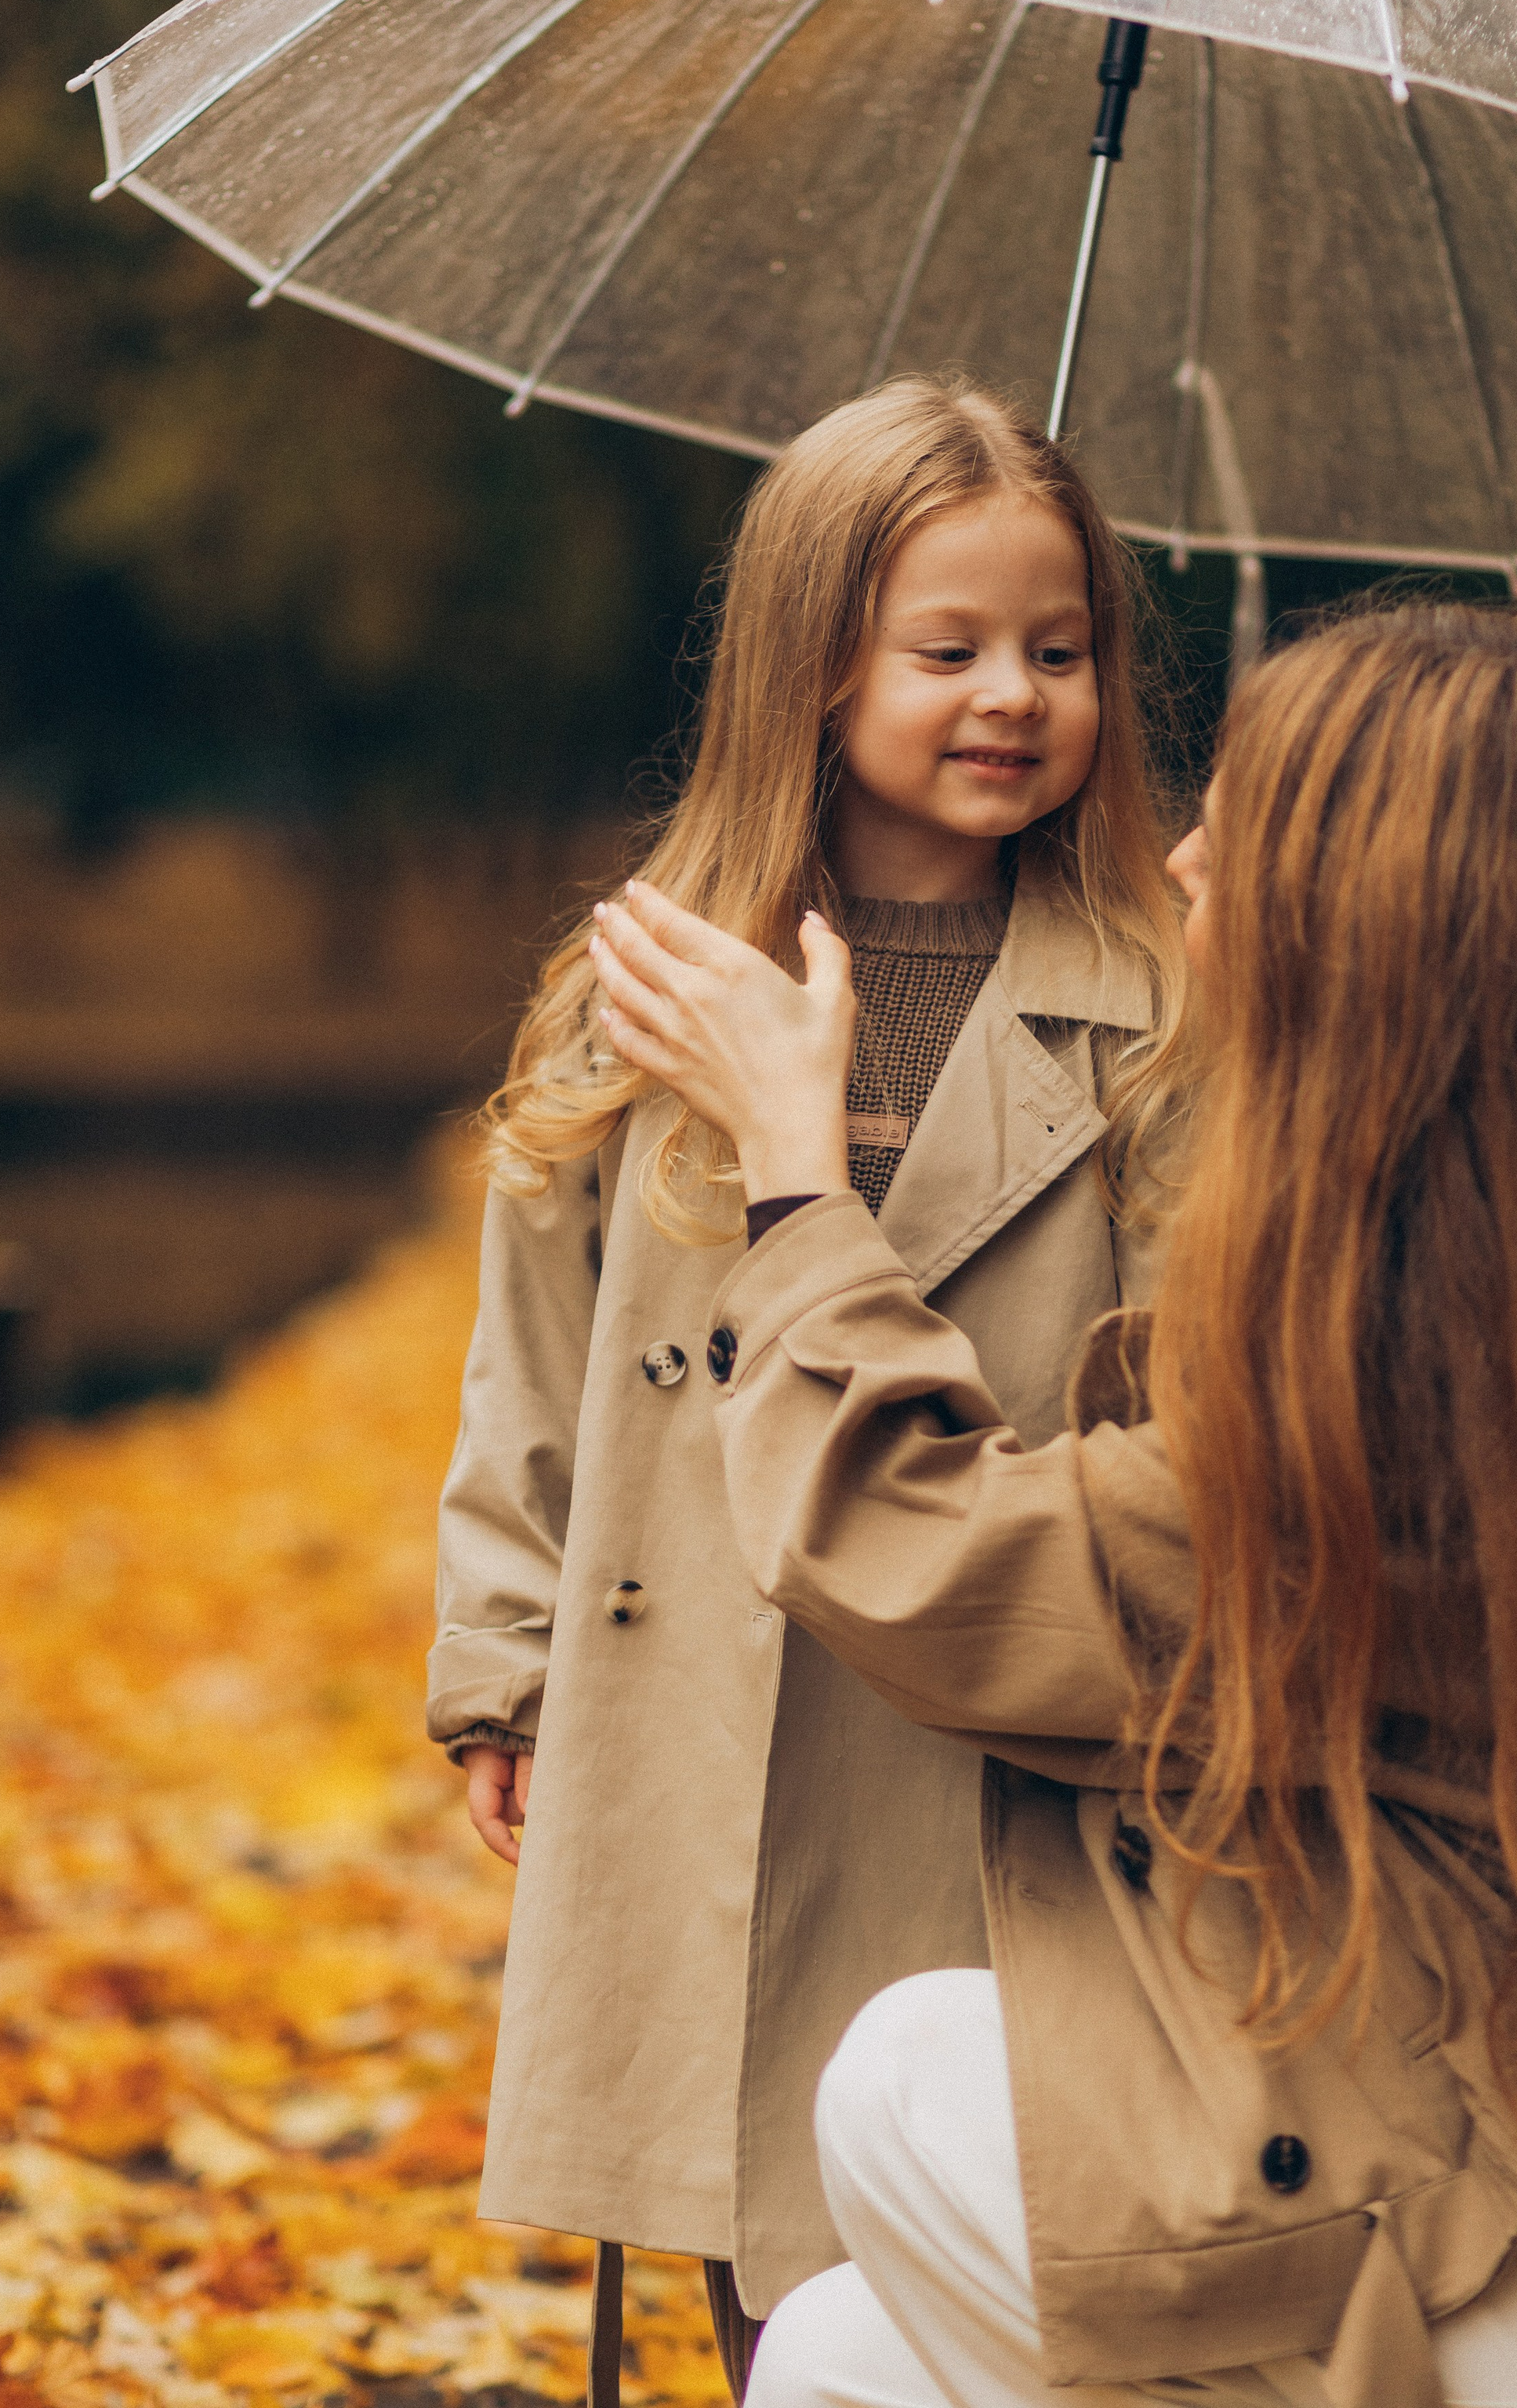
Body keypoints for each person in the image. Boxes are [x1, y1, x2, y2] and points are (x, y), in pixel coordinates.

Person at [591, 598, 1517, 2408]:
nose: (1170, 862)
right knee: (847, 2360)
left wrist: (795, 1170)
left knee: (908, 2075)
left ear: (1365, 937)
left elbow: (921, 1556)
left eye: (1231, 843)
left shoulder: (1392, 1398)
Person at [426, 377, 1188, 2399]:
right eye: (948, 649)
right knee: (745, 2192)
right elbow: (539, 1356)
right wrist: (500, 1657)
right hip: (697, 1698)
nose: (1012, 694)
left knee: (945, 2193)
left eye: (1062, 646)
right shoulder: (652, 988)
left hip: (979, 1719)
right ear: (812, 661)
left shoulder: (1156, 1015)